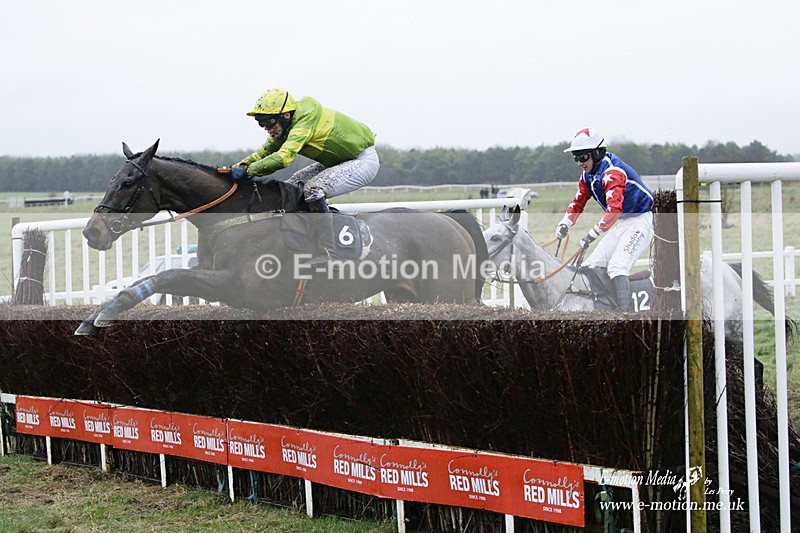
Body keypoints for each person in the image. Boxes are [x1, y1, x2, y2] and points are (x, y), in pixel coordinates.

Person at [232, 88, 379, 214]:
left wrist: (248, 171)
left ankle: (327, 243)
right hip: (338, 162)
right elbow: (260, 155)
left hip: (363, 161)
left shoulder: (305, 119)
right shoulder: (283, 129)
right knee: (289, 189)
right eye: (262, 123)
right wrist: (230, 170)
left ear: (286, 115)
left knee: (313, 190)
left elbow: (283, 159)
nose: (268, 128)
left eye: (270, 122)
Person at [554, 128, 654, 311]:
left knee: (617, 267)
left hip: (641, 220)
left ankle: (624, 317)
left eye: (583, 157)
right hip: (623, 222)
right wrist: (565, 223)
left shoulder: (613, 173)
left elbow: (614, 210)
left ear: (597, 153)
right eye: (575, 157)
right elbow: (578, 202)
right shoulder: (588, 175)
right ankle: (603, 307)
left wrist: (591, 235)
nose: (579, 162)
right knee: (591, 265)